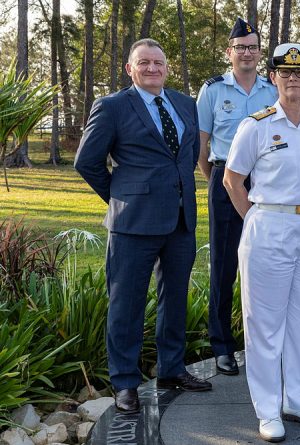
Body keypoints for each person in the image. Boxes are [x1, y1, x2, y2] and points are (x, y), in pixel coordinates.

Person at [74, 38, 212, 415]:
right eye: (144, 63)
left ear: (167, 68)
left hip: (180, 220)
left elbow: (184, 160)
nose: (153, 69)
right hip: (133, 223)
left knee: (175, 299)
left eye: (158, 63)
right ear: (129, 69)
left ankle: (171, 370)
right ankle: (124, 383)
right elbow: (87, 162)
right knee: (127, 304)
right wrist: (122, 197)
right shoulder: (113, 106)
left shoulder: (184, 104)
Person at [223, 43, 300, 443]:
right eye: (285, 73)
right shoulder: (256, 125)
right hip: (270, 225)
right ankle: (268, 409)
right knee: (265, 325)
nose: (293, 79)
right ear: (273, 77)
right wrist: (255, 218)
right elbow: (232, 181)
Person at [196, 17, 278, 376]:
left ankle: (261, 343)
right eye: (240, 47)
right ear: (229, 52)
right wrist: (220, 181)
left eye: (253, 48)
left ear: (260, 53)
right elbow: (201, 147)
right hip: (225, 177)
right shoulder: (213, 91)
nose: (247, 53)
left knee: (266, 264)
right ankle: (223, 346)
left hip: (267, 182)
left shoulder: (271, 90)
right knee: (225, 265)